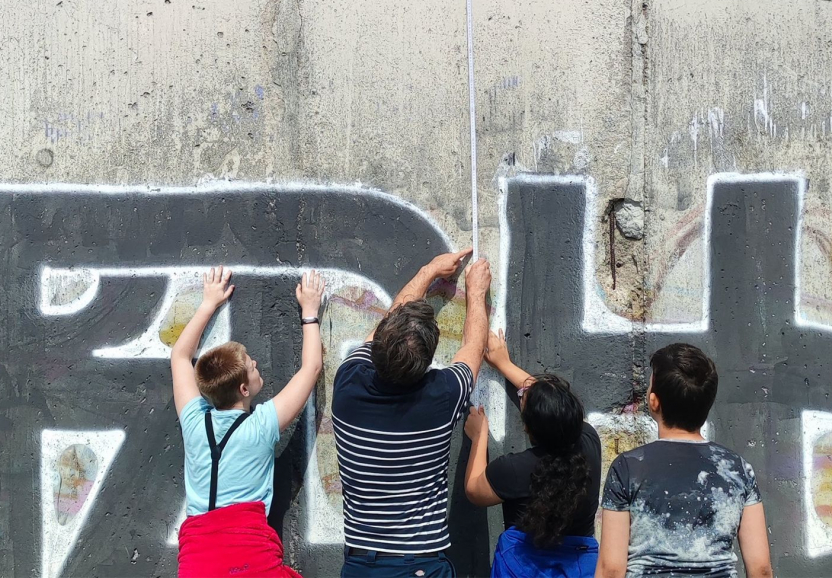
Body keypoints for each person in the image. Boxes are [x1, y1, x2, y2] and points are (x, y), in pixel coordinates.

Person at [332, 248, 491, 578]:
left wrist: (428, 270)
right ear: (428, 360)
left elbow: (385, 327)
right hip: (420, 566)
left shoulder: (348, 381)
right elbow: (473, 348)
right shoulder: (443, 395)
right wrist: (476, 293)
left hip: (361, 564)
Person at [170, 266, 326, 578]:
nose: (255, 363)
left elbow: (179, 356)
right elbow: (311, 368)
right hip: (248, 560)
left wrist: (208, 303)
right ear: (244, 389)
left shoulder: (194, 421)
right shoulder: (261, 426)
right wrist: (310, 313)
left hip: (198, 564)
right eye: (251, 367)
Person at [597, 343, 774, 578]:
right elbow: (761, 568)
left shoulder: (627, 468)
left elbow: (611, 569)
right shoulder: (738, 470)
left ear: (654, 401)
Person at [464, 329, 602, 578]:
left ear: (528, 428)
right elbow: (555, 408)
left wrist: (479, 436)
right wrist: (506, 365)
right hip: (578, 567)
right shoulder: (589, 442)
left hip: (525, 568)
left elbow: (475, 489)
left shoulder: (513, 470)